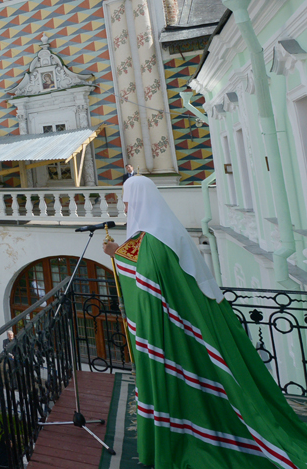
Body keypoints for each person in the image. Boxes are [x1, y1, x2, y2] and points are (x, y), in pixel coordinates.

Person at [104, 173, 307, 468]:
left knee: (188, 385)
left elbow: (148, 280)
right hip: (185, 321)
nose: (125, 208)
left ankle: (193, 437)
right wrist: (121, 254)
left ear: (137, 201)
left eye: (126, 202)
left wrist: (115, 254)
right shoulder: (166, 232)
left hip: (171, 330)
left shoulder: (151, 241)